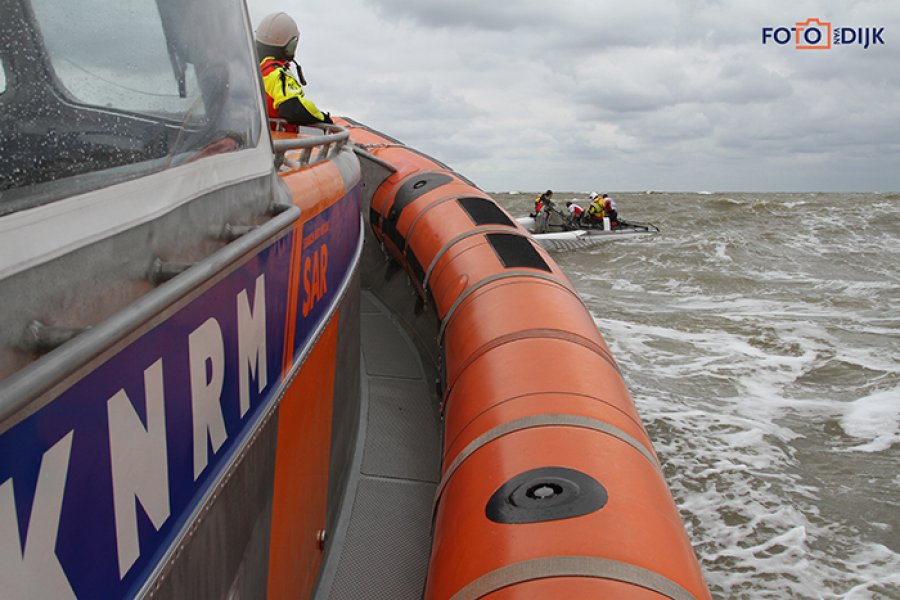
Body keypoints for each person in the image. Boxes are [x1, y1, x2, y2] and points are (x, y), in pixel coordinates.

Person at [256, 12, 332, 131]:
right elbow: (292, 107)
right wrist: (323, 118)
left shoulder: (251, 68)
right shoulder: (277, 74)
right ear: (291, 45)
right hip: (275, 144)